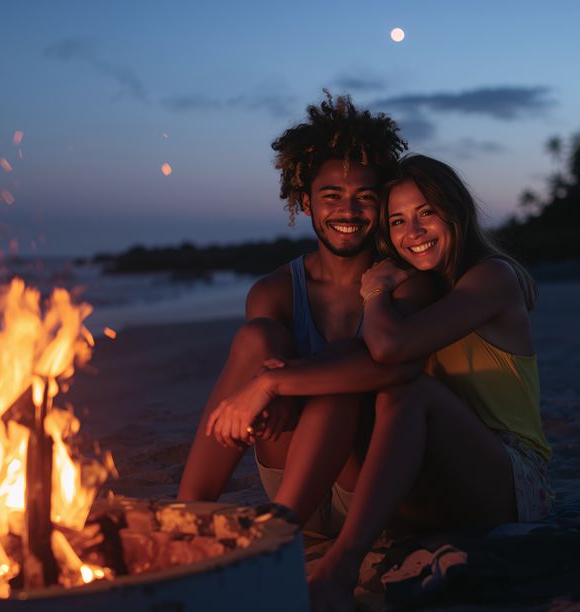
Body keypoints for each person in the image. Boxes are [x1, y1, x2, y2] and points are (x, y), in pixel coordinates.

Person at [211, 154, 553, 611]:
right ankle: (279, 535)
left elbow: (389, 351)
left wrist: (372, 293)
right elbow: (369, 357)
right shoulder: (417, 288)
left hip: (509, 480)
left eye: (426, 213)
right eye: (397, 220)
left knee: (405, 389)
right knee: (357, 380)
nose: (412, 232)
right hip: (437, 478)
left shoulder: (492, 277)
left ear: (457, 211)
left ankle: (340, 569)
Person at [177, 92, 427, 539]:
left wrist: (280, 384)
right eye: (331, 196)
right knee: (256, 339)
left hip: (368, 491)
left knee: (343, 376)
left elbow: (390, 368)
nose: (347, 211)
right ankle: (185, 517)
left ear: (382, 204)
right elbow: (263, 391)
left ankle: (276, 541)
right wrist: (273, 398)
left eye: (364, 197)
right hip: (294, 481)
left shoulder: (406, 282)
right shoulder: (276, 291)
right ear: (306, 201)